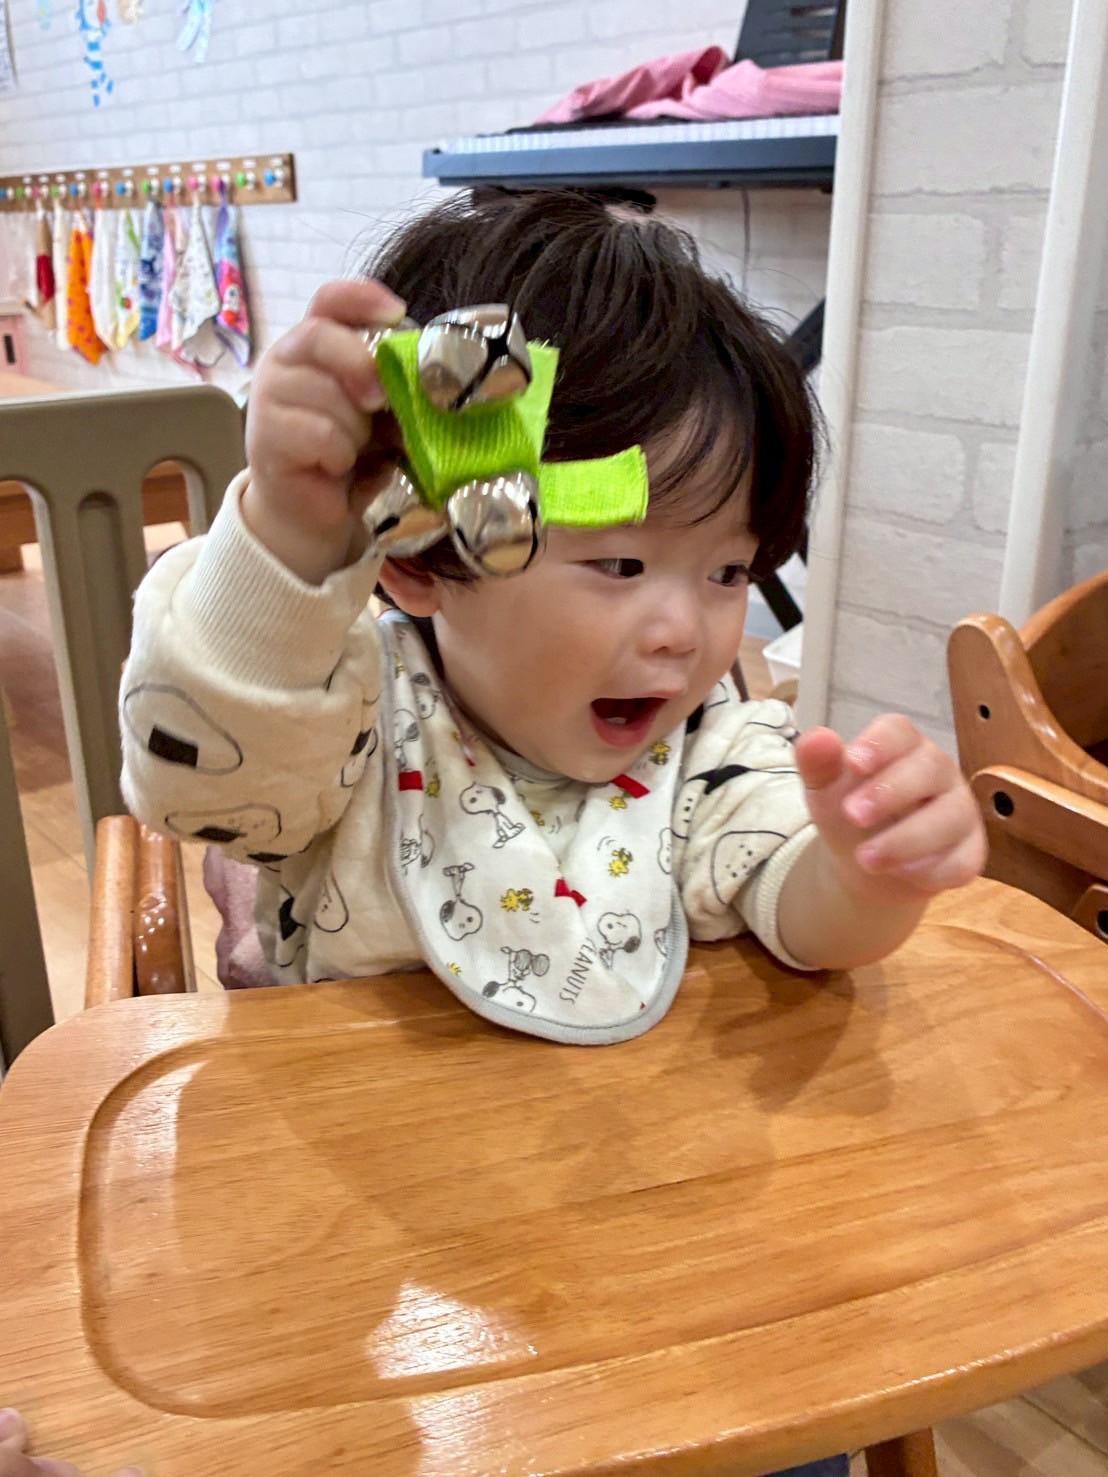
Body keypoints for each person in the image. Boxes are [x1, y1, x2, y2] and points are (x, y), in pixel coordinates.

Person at [116, 190, 984, 1477]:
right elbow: (202, 781)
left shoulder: (707, 742)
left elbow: (793, 906)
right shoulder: (339, 714)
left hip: (650, 1238)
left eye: (728, 571)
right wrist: (287, 551)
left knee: (789, 1413)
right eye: (621, 566)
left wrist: (866, 870)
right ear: (419, 559)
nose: (685, 630)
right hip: (377, 1253)